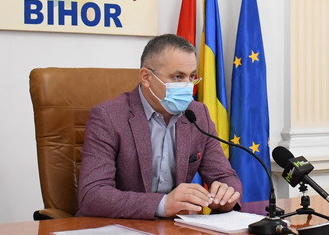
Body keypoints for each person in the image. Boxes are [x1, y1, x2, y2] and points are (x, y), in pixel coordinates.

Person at [77, 34, 242, 219]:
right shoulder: (108, 116)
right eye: (178, 77)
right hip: (117, 227)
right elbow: (92, 195)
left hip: (176, 229)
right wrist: (162, 204)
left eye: (192, 77)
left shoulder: (197, 114)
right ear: (146, 77)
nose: (188, 86)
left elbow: (226, 177)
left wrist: (226, 195)